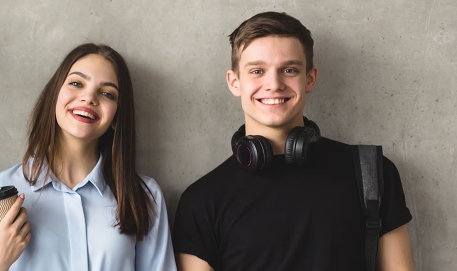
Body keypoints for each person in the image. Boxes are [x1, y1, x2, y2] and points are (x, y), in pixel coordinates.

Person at [173, 11, 414, 271]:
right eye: (257, 70)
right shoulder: (201, 201)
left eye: (289, 70)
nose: (274, 84)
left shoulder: (371, 173)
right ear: (235, 83)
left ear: (309, 78)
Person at [0, 43, 175, 271]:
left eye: (107, 93)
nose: (88, 98)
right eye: (76, 83)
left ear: (117, 116)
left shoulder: (144, 197)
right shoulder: (0, 188)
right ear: (54, 95)